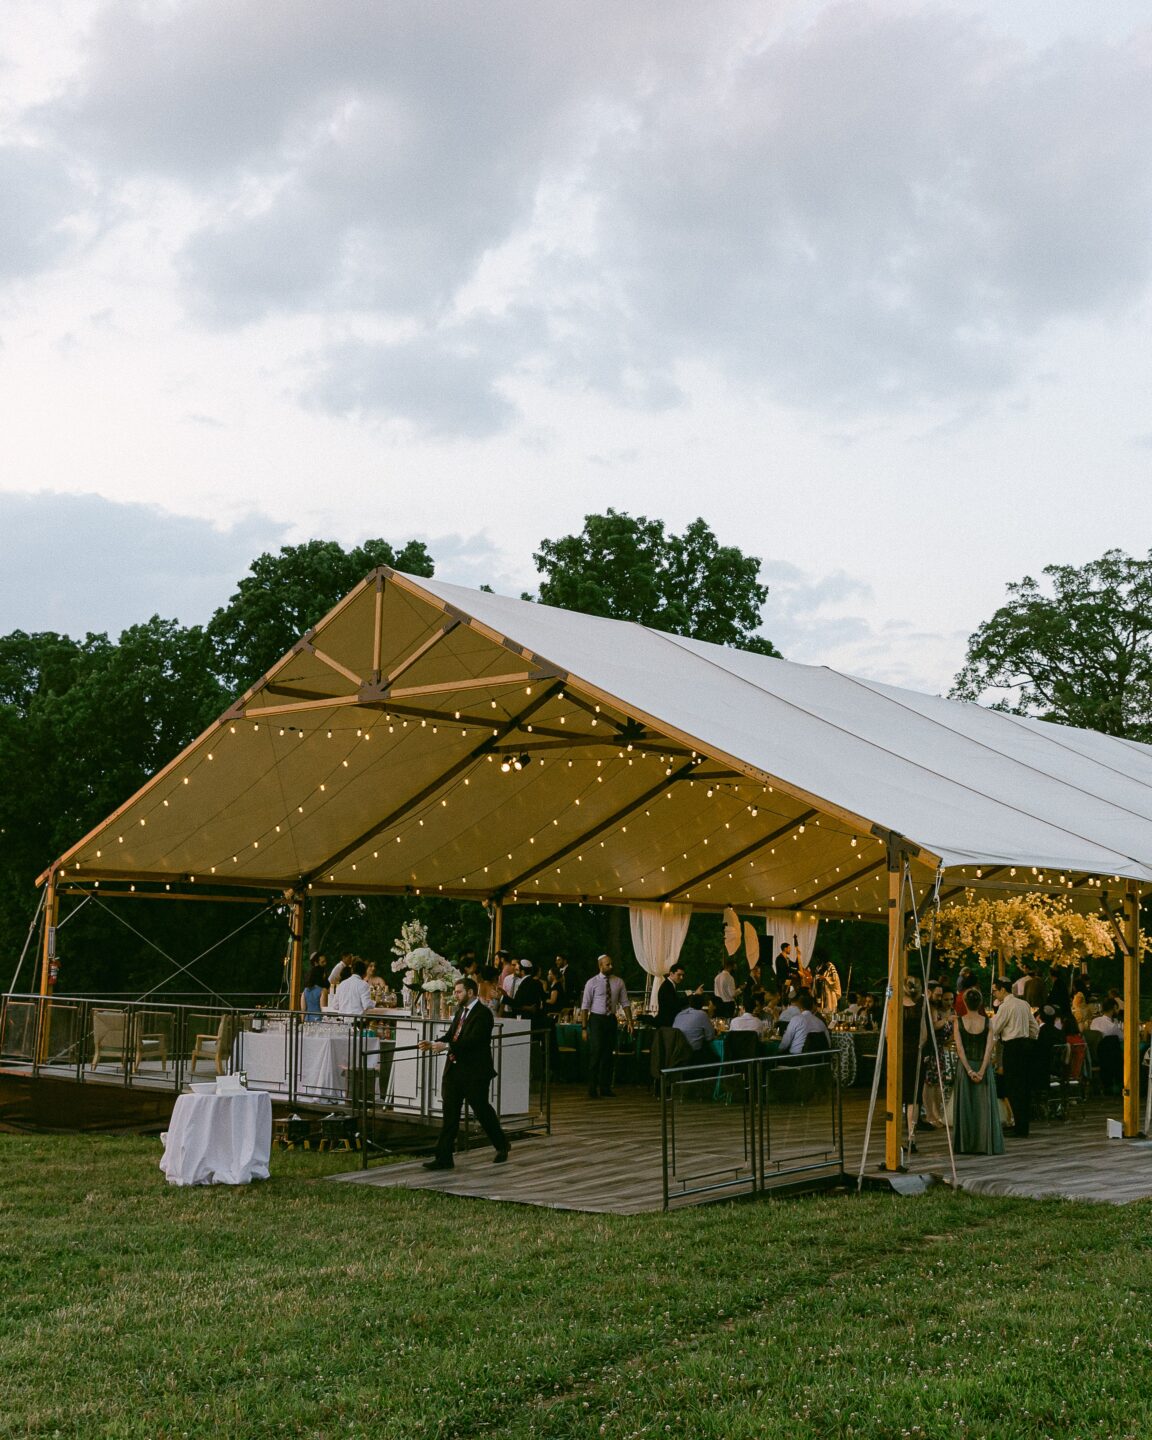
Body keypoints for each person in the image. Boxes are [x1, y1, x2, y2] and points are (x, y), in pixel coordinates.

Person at [420, 976, 510, 1170]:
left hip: (475, 1071)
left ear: (470, 992)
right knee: (450, 1113)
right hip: (454, 1070)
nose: (455, 994)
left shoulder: (483, 1014)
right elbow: (453, 1034)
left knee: (482, 1110)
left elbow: (474, 1041)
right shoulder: (461, 1011)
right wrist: (434, 1042)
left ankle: (501, 1144)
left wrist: (446, 1046)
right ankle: (444, 1157)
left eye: (459, 991)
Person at [952, 987, 1004, 1155]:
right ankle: (985, 1144)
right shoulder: (988, 1022)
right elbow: (989, 1050)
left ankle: (966, 1145)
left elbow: (960, 1050)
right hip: (983, 1067)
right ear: (980, 1003)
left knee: (967, 1107)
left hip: (965, 1068)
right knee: (984, 1107)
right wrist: (981, 1071)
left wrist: (968, 1070)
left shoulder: (958, 1022)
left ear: (965, 1003)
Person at [991, 976, 1039, 1136]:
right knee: (1024, 1086)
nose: (994, 994)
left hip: (1012, 1047)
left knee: (1013, 1086)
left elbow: (994, 1028)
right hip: (1026, 1046)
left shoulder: (1006, 1007)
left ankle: (1019, 1127)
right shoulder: (1024, 1004)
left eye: (995, 991)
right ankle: (1023, 1124)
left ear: (1002, 989)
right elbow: (1035, 1029)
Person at [579, 954, 631, 1099]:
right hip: (596, 1019)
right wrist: (584, 1028)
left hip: (610, 1019)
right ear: (600, 966)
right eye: (607, 964)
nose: (610, 967)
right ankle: (592, 1088)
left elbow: (625, 1003)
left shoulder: (618, 982)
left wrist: (630, 1021)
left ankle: (605, 1087)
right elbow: (585, 1006)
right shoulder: (592, 982)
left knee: (608, 1054)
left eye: (611, 964)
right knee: (596, 1052)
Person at [901, 976, 927, 1150]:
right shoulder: (921, 1007)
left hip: (900, 1054)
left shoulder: (895, 1006)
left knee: (898, 1096)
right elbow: (924, 1034)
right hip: (915, 1054)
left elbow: (888, 1034)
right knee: (913, 1098)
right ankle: (912, 1136)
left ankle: (895, 1137)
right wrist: (918, 1049)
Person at [777, 989, 829, 1056]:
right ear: (812, 1006)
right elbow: (828, 1043)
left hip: (797, 1059)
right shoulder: (820, 1022)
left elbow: (785, 1044)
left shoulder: (796, 1019)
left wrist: (776, 1051)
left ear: (799, 1006)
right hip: (818, 1060)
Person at [672, 993, 717, 1058]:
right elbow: (710, 1036)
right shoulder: (702, 1014)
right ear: (702, 1005)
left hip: (677, 1053)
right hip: (693, 1054)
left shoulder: (679, 1014)